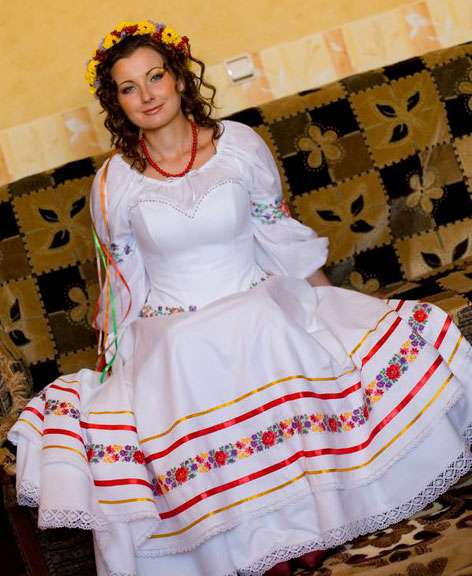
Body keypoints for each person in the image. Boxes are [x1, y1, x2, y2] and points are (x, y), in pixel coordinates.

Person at [8, 19, 472, 576]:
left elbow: (277, 233)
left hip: (256, 295)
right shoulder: (112, 183)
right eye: (129, 88)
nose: (147, 95)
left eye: (155, 77)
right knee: (186, 351)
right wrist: (116, 362)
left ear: (180, 78)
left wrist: (332, 305)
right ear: (117, 103)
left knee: (264, 325)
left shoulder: (240, 146)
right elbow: (123, 282)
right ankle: (249, 546)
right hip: (172, 323)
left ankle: (313, 525)